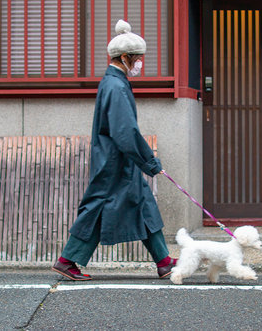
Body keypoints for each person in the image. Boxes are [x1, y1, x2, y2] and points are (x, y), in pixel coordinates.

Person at [52, 19, 176, 281]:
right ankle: (66, 260)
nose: (141, 63)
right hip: (115, 163)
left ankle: (164, 261)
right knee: (100, 206)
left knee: (142, 202)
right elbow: (126, 132)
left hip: (117, 160)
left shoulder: (113, 83)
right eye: (139, 58)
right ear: (125, 57)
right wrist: (149, 162)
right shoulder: (116, 86)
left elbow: (124, 132)